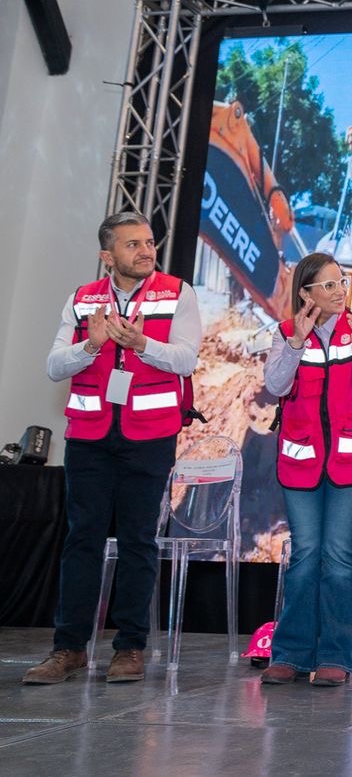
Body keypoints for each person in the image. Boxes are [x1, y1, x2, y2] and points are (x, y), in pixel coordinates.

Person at [25, 212, 200, 686]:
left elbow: (187, 358)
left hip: (151, 436)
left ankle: (129, 647)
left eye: (149, 242)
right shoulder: (82, 299)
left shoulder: (178, 293)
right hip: (89, 437)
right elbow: (54, 366)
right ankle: (68, 648)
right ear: (108, 255)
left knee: (138, 540)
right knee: (82, 540)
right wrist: (90, 345)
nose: (146, 251)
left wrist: (143, 343)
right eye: (133, 244)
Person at [258, 254, 352, 687]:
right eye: (327, 285)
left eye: (340, 282)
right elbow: (275, 385)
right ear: (305, 293)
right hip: (301, 462)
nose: (338, 291)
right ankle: (291, 654)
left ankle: (335, 656)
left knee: (339, 555)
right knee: (306, 554)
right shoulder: (285, 333)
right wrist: (296, 343)